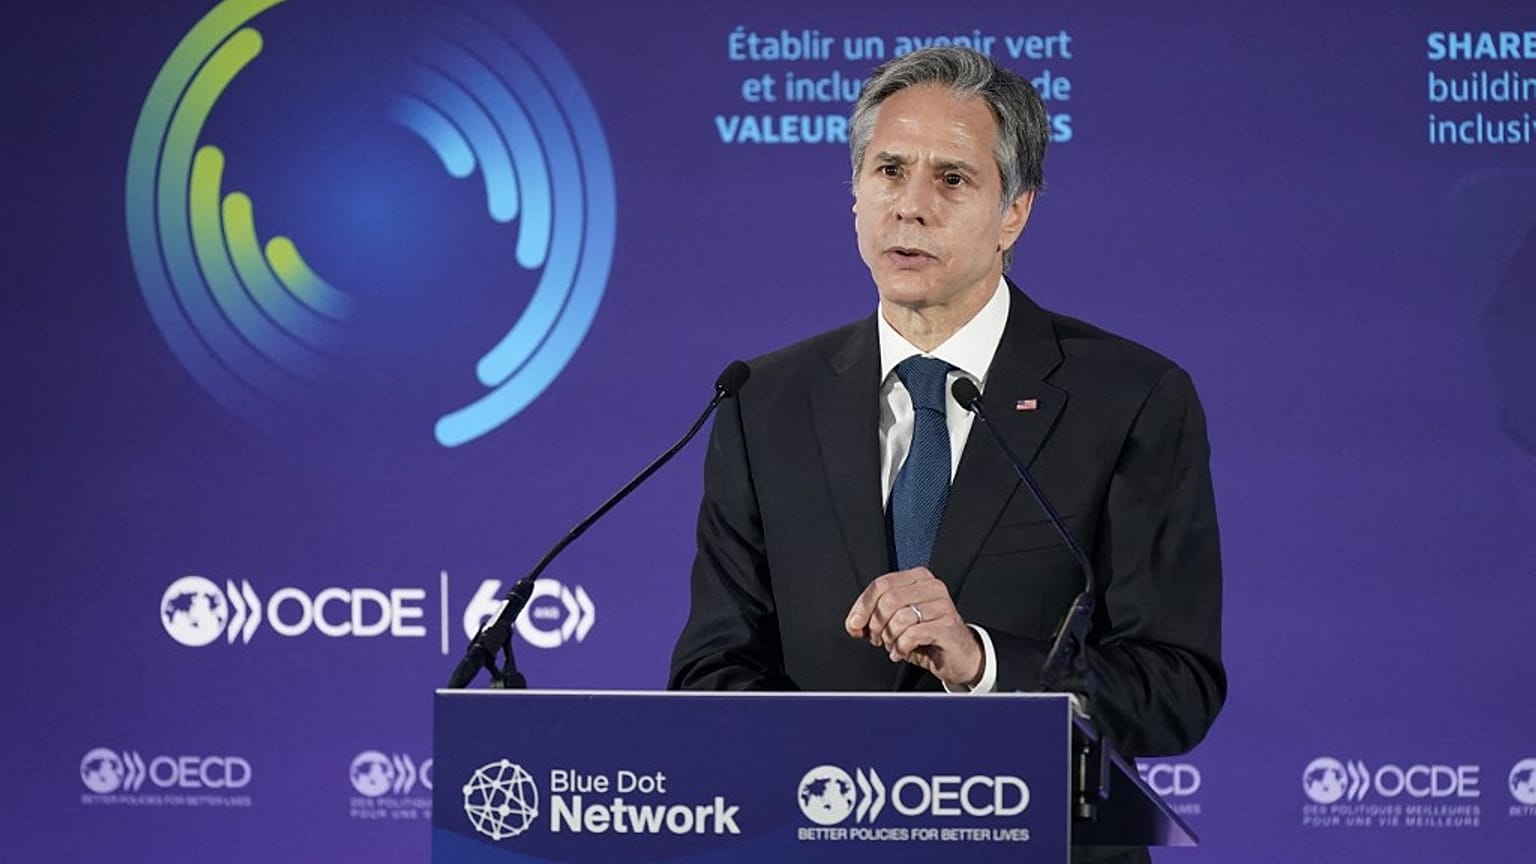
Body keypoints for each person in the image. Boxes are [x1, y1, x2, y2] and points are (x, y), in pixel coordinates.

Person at [669, 47, 1224, 859]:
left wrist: (985, 666)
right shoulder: (764, 401)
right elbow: (713, 671)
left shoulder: (1130, 399)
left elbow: (1175, 686)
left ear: (1015, 212)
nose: (911, 206)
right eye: (889, 170)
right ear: (854, 195)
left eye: (953, 179)